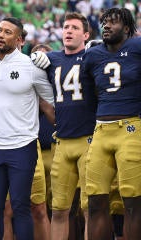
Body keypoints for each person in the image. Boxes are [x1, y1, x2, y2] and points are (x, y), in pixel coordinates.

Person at [0, 17, 54, 239]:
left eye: (8, 32)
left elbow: (50, 103)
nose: (1, 35)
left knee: (21, 206)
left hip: (23, 146)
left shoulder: (32, 66)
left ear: (20, 39)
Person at [32, 12, 98, 240]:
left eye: (75, 28)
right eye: (66, 27)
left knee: (90, 209)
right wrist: (34, 60)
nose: (68, 31)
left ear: (86, 35)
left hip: (88, 140)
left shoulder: (92, 57)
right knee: (59, 209)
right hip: (62, 141)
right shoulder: (53, 60)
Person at [83, 7, 141, 240]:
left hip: (131, 128)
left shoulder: (137, 47)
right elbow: (89, 94)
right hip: (101, 130)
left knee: (133, 202)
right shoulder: (93, 55)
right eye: (104, 22)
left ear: (126, 28)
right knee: (95, 201)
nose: (106, 25)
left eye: (114, 22)